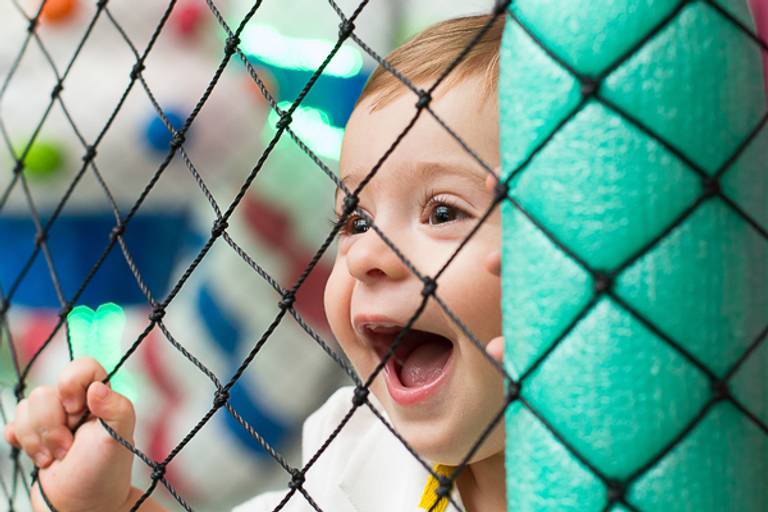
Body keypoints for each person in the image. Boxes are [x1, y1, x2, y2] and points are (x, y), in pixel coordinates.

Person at [4, 14, 507, 512]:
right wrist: (107, 505)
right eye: (355, 221)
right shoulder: (358, 448)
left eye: (443, 213)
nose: (367, 256)